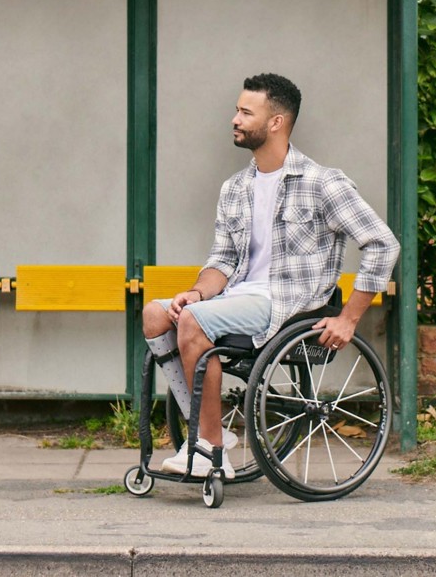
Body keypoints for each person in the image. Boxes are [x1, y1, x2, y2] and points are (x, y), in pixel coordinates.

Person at [142, 73, 399, 478]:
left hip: (291, 304)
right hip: (242, 298)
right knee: (158, 314)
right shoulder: (235, 188)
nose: (235, 119)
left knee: (193, 322)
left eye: (246, 112)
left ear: (276, 122)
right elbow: (222, 261)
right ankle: (208, 429)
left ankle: (208, 448)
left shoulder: (321, 183)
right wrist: (197, 292)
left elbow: (383, 244)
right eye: (237, 110)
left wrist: (349, 318)